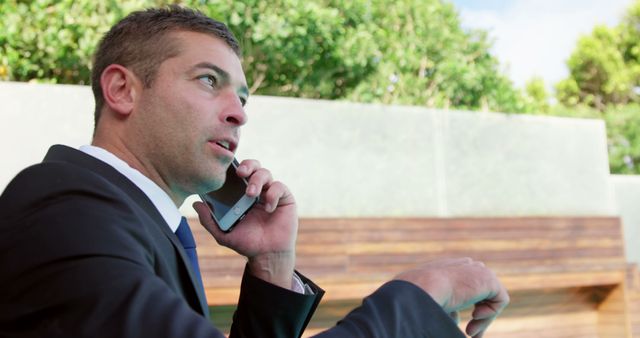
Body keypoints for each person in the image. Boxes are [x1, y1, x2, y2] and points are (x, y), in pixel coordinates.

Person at [0, 5, 509, 338]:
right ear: (122, 90)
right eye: (208, 81)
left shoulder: (137, 218)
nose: (239, 113)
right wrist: (419, 298)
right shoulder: (60, 209)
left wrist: (272, 264)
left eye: (241, 97)